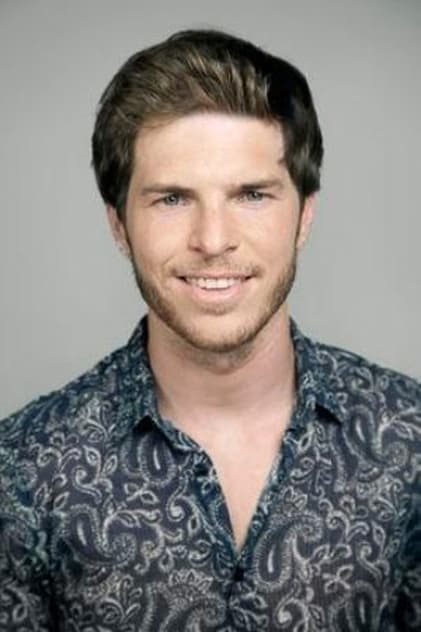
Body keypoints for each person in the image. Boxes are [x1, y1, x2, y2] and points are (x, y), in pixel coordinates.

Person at [0, 28, 420, 632]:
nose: (213, 239)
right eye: (172, 199)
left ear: (304, 215)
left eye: (251, 195)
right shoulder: (22, 470)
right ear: (119, 226)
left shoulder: (409, 443)